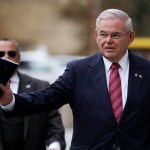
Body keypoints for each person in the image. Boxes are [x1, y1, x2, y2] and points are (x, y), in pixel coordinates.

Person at [0, 8, 150, 150]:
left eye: (115, 35)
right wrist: (11, 100)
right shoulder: (78, 71)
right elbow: (45, 98)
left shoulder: (146, 70)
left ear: (130, 37)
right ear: (96, 36)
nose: (108, 40)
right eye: (103, 34)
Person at [0, 38, 66, 150]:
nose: (6, 57)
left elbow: (54, 128)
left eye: (11, 53)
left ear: (19, 58)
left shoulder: (41, 87)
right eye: (1, 53)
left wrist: (54, 146)